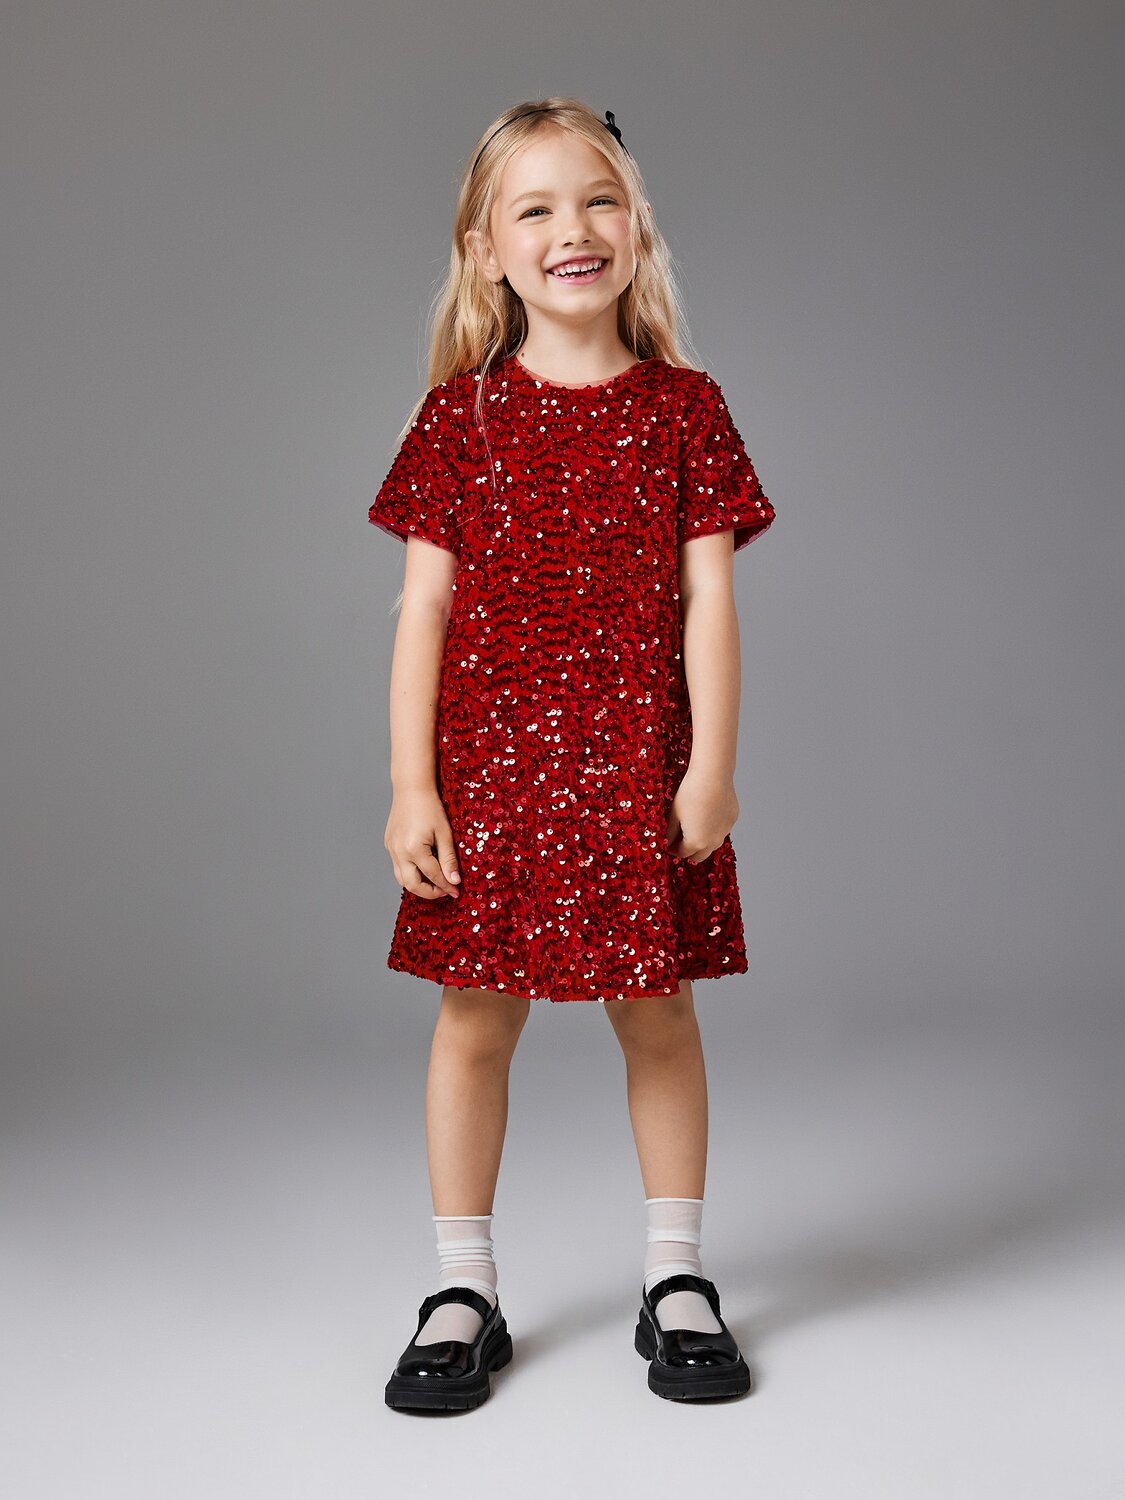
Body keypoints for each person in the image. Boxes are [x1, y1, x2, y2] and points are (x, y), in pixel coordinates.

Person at [368, 97, 776, 1411]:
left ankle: (677, 1275)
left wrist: (710, 768)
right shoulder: (457, 421)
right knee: (471, 1024)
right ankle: (461, 1287)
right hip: (491, 782)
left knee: (658, 1017)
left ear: (637, 226)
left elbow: (710, 601)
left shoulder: (686, 411)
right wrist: (412, 787)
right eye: (534, 208)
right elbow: (422, 610)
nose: (571, 229)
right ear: (485, 249)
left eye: (598, 199)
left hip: (637, 775)